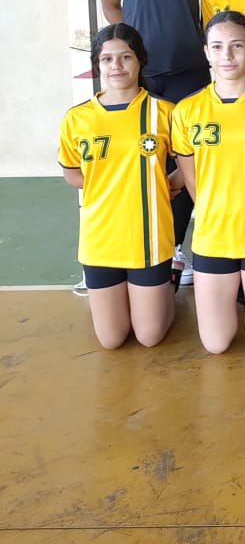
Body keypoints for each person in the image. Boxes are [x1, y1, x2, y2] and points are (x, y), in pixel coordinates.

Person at [99, 0, 218, 287]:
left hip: (189, 74)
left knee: (187, 163)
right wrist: (132, 42)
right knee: (148, 161)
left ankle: (176, 249)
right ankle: (142, 245)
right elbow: (110, 3)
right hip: (142, 79)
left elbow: (214, 10)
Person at [172, 11, 245, 354]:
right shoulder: (187, 110)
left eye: (237, 45)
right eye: (217, 47)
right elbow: (191, 178)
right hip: (214, 235)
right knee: (216, 344)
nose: (227, 55)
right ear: (206, 52)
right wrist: (215, 211)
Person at [58, 24, 175, 349]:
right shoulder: (77, 118)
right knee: (112, 340)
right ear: (98, 64)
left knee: (149, 337)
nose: (117, 66)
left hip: (148, 237)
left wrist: (165, 184)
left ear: (140, 61)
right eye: (107, 59)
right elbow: (72, 174)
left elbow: (189, 164)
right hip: (100, 239)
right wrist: (114, 185)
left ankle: (169, 287)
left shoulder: (164, 112)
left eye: (126, 57)